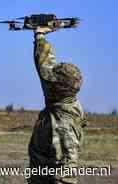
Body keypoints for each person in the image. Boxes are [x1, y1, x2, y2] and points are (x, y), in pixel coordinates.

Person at [28, 27, 88, 184]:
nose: (48, 77)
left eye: (52, 77)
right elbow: (44, 65)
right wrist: (39, 36)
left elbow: (65, 175)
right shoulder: (62, 97)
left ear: (56, 86)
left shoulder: (63, 125)